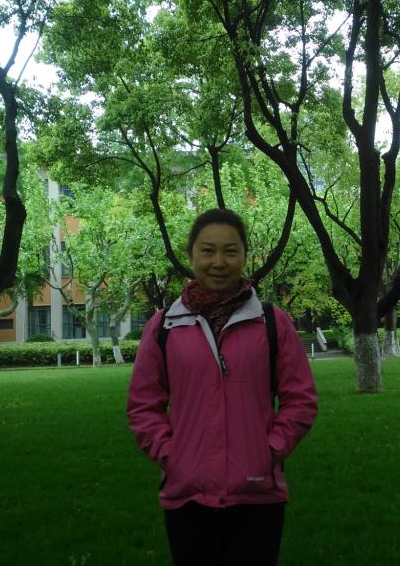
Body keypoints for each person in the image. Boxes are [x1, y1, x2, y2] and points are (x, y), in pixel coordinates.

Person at [127, 208, 318, 566]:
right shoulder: (165, 326)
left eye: (230, 251)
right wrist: (172, 456)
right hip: (187, 494)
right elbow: (143, 406)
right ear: (191, 256)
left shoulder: (271, 322)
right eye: (208, 251)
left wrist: (270, 450)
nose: (218, 262)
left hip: (257, 492)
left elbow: (300, 399)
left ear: (245, 256)